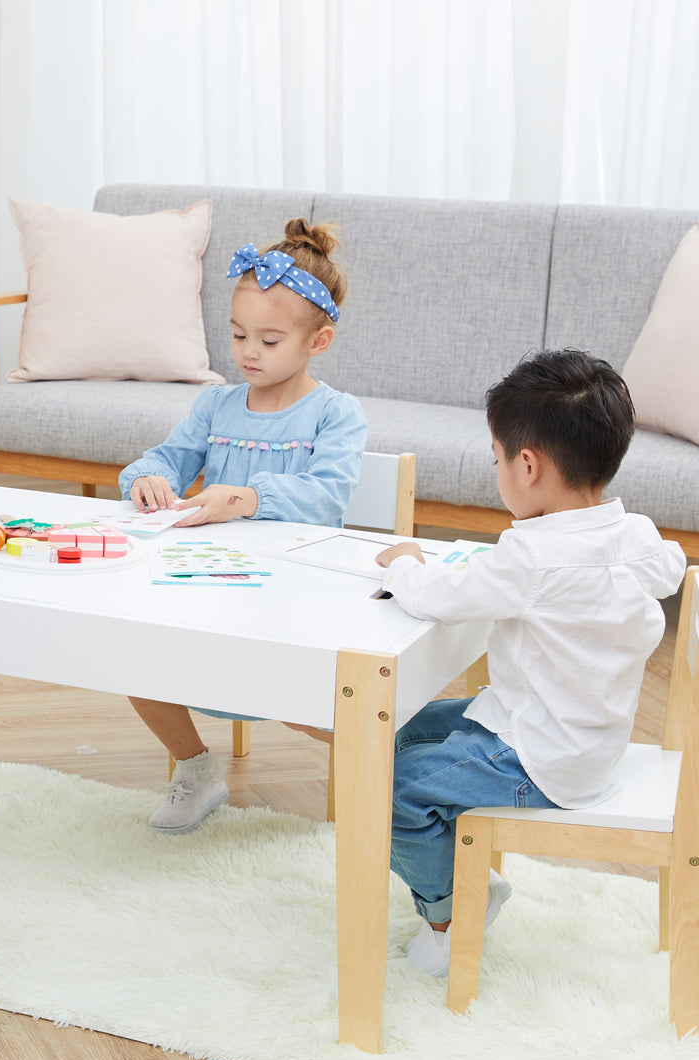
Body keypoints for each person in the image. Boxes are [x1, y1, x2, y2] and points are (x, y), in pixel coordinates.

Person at [374, 349, 686, 978]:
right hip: (580, 732)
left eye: (496, 461)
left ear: (527, 464)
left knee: (389, 789)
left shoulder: (530, 558)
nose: (497, 473)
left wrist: (405, 561)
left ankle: (452, 909)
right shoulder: (641, 537)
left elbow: (439, 597)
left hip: (541, 758)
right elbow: (671, 565)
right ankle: (455, 872)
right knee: (397, 732)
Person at [118, 218, 368, 835]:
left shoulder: (337, 414)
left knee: (296, 696)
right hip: (208, 580)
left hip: (295, 590)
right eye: (237, 335)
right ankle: (195, 766)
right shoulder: (216, 405)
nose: (249, 352)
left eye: (270, 340)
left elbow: (328, 496)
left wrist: (249, 499)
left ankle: (392, 771)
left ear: (319, 341)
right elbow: (163, 460)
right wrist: (146, 479)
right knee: (129, 654)